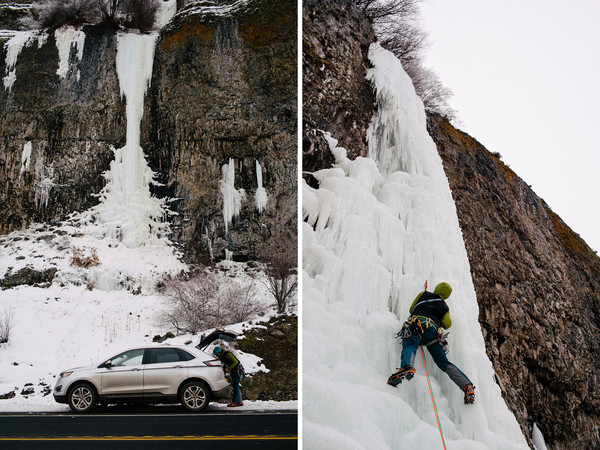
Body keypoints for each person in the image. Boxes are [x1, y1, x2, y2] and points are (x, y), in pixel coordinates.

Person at [387, 282, 476, 404]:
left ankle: (407, 366)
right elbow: (447, 324)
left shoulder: (423, 294)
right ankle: (467, 386)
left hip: (416, 326)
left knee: (410, 345)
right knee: (443, 362)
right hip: (433, 335)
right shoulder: (444, 307)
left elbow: (411, 309)